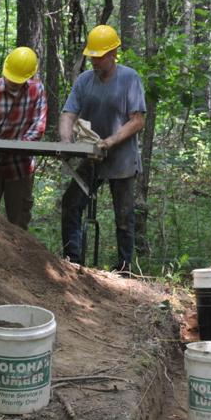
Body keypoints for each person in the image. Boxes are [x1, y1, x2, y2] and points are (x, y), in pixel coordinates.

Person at [58, 25, 146, 272]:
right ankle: (72, 260)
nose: (95, 61)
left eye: (100, 56)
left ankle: (125, 268)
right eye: (92, 57)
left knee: (124, 216)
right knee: (71, 202)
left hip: (122, 159)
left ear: (113, 53)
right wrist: (65, 141)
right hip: (92, 156)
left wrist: (110, 141)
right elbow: (68, 113)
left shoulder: (129, 78)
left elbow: (137, 120)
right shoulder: (84, 81)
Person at [0, 46, 48, 229]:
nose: (13, 82)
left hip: (21, 166)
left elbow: (38, 126)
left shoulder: (37, 90)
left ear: (29, 76)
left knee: (19, 224)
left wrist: (19, 146)